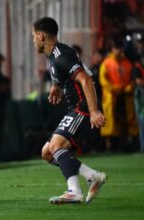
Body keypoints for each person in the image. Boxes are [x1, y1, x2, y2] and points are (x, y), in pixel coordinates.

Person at [32, 17, 106, 204]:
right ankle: (91, 176)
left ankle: (74, 191)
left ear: (41, 36)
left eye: (33, 36)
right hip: (75, 109)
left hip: (83, 109)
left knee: (56, 146)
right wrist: (56, 86)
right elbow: (64, 74)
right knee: (47, 152)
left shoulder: (61, 56)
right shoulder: (55, 55)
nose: (33, 40)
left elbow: (86, 80)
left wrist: (94, 111)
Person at [99, 39, 138, 151]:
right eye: (116, 48)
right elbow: (103, 80)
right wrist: (114, 88)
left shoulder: (127, 63)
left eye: (119, 48)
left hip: (125, 96)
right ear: (112, 49)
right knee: (111, 120)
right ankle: (109, 145)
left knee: (127, 119)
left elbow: (132, 79)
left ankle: (126, 144)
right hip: (112, 97)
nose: (118, 51)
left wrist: (129, 87)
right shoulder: (106, 63)